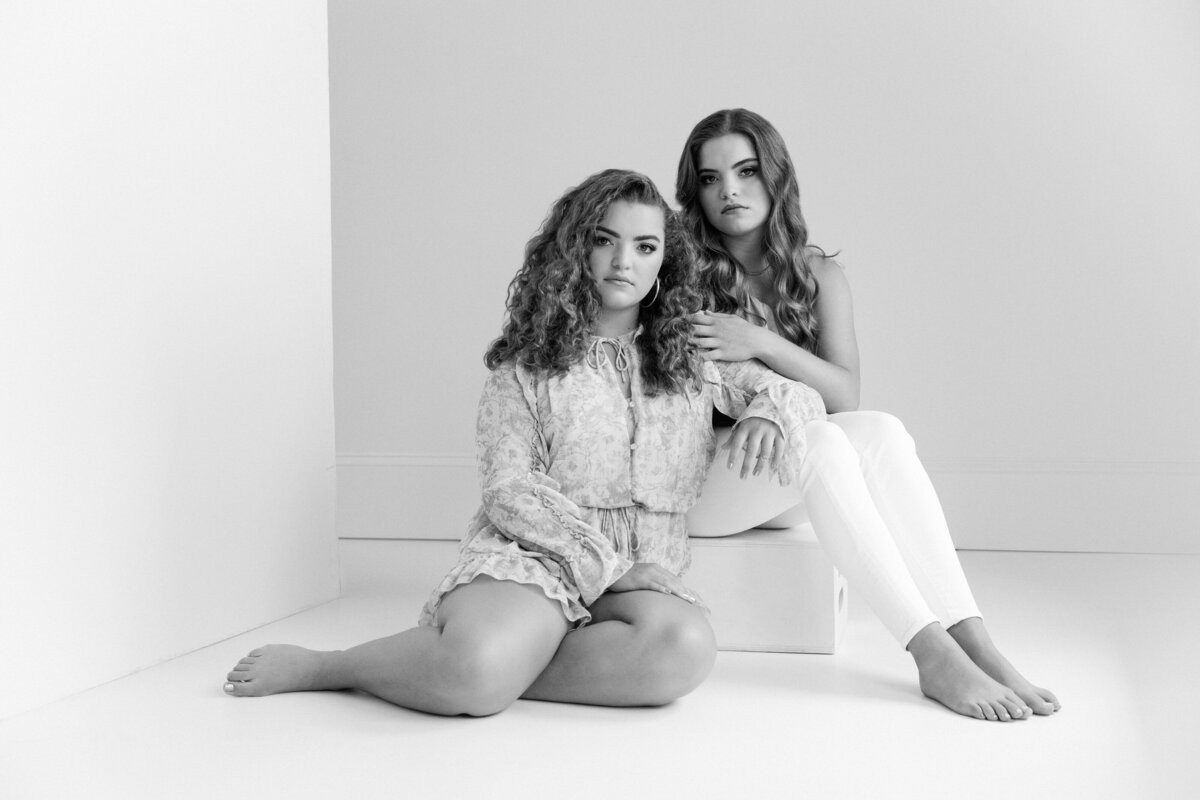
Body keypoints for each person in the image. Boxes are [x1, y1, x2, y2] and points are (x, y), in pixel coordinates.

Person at [221, 168, 825, 716]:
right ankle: (334, 667)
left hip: (647, 572)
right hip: (537, 558)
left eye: (645, 247)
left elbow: (798, 394)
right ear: (575, 249)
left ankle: (498, 666)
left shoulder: (691, 355)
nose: (624, 261)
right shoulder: (527, 367)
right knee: (474, 677)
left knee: (684, 649)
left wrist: (769, 413)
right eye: (604, 239)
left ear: (664, 262)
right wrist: (610, 570)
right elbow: (510, 490)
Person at [677, 108, 1061, 722]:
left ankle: (974, 640)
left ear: (775, 177)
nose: (729, 191)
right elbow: (702, 392)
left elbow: (845, 395)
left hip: (775, 478)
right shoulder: (681, 276)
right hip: (705, 483)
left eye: (746, 171)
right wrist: (775, 397)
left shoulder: (818, 274)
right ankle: (929, 651)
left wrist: (761, 340)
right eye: (710, 178)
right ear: (693, 192)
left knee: (881, 430)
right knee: (824, 444)